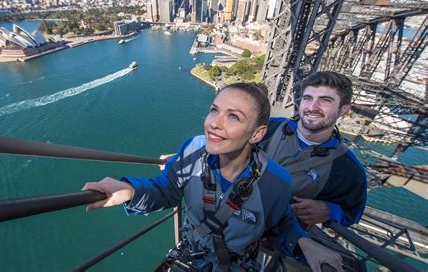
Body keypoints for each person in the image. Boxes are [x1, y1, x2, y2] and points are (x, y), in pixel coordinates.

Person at [82, 83, 343, 272]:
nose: (214, 123)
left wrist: (303, 242)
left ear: (256, 134)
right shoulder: (193, 149)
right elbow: (168, 189)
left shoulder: (276, 181)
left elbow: (279, 225)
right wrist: (131, 191)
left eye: (233, 117)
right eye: (214, 110)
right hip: (192, 258)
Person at [258, 71, 367, 228]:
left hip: (271, 237)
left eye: (325, 100)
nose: (312, 107)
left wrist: (330, 211)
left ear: (343, 110)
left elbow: (352, 213)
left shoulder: (347, 169)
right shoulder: (267, 128)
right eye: (307, 98)